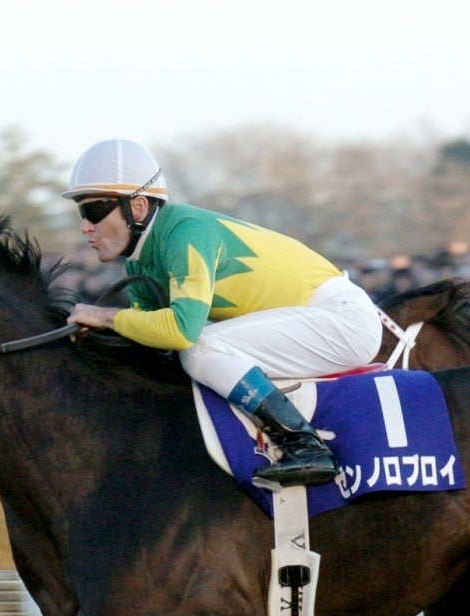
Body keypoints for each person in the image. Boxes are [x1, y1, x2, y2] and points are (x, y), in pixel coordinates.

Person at [63, 138, 382, 488]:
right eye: (82, 214)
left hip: (342, 321)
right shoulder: (141, 264)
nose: (85, 227)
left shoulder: (185, 233)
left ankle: (306, 447)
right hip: (316, 320)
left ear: (137, 207)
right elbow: (153, 341)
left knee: (201, 347)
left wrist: (107, 317)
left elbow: (180, 332)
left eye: (93, 212)